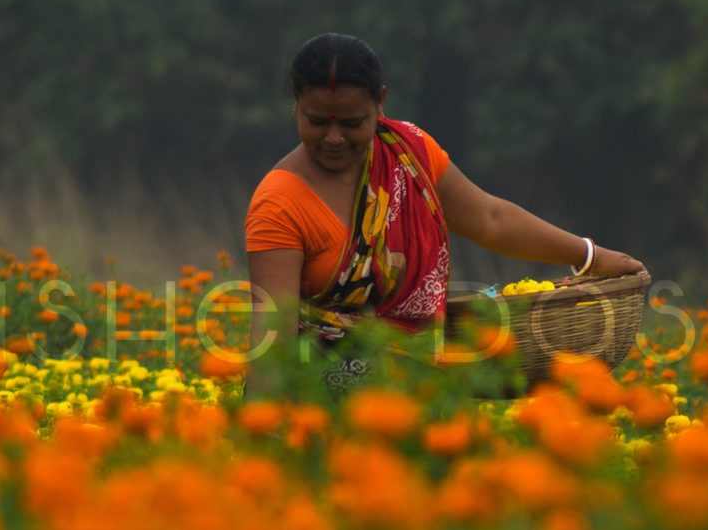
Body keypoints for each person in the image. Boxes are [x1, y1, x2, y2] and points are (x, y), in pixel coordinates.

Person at [243, 33, 646, 400]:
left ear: (380, 101)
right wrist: (264, 437)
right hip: (318, 407)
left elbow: (490, 219)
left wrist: (589, 255)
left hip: (420, 397)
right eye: (317, 121)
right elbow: (273, 332)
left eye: (352, 123)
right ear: (295, 105)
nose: (333, 138)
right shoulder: (280, 203)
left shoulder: (410, 153)